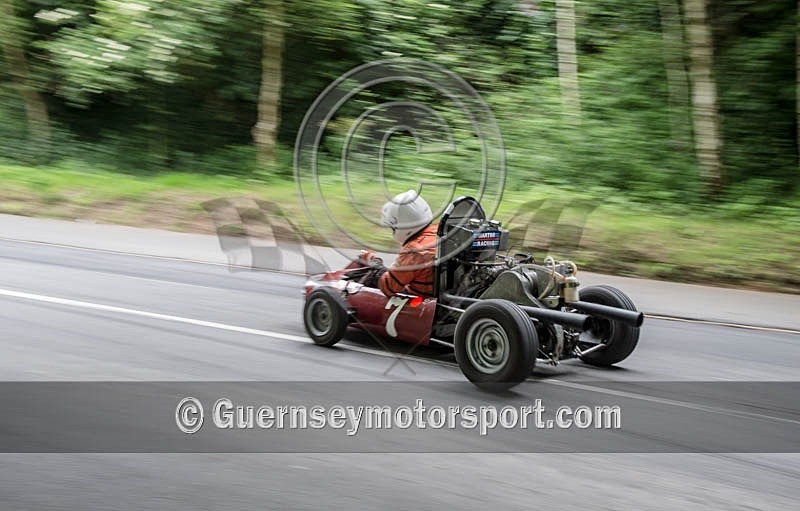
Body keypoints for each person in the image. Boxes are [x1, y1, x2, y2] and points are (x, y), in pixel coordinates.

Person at [360, 190, 437, 297]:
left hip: (421, 300)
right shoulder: (438, 232)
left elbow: (387, 287)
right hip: (437, 292)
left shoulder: (414, 250)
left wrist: (375, 266)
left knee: (371, 279)